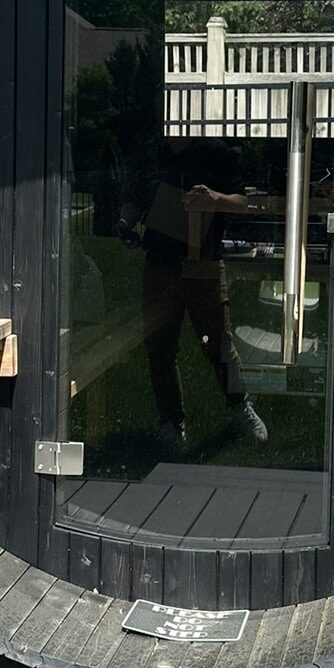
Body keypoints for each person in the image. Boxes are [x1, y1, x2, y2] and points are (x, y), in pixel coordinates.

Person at [124, 133, 268, 452]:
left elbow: (244, 202)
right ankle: (171, 423)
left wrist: (214, 199)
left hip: (202, 260)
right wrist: (126, 220)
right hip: (160, 260)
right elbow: (135, 201)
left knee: (216, 342)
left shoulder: (216, 154)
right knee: (160, 345)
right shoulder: (152, 153)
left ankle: (240, 406)